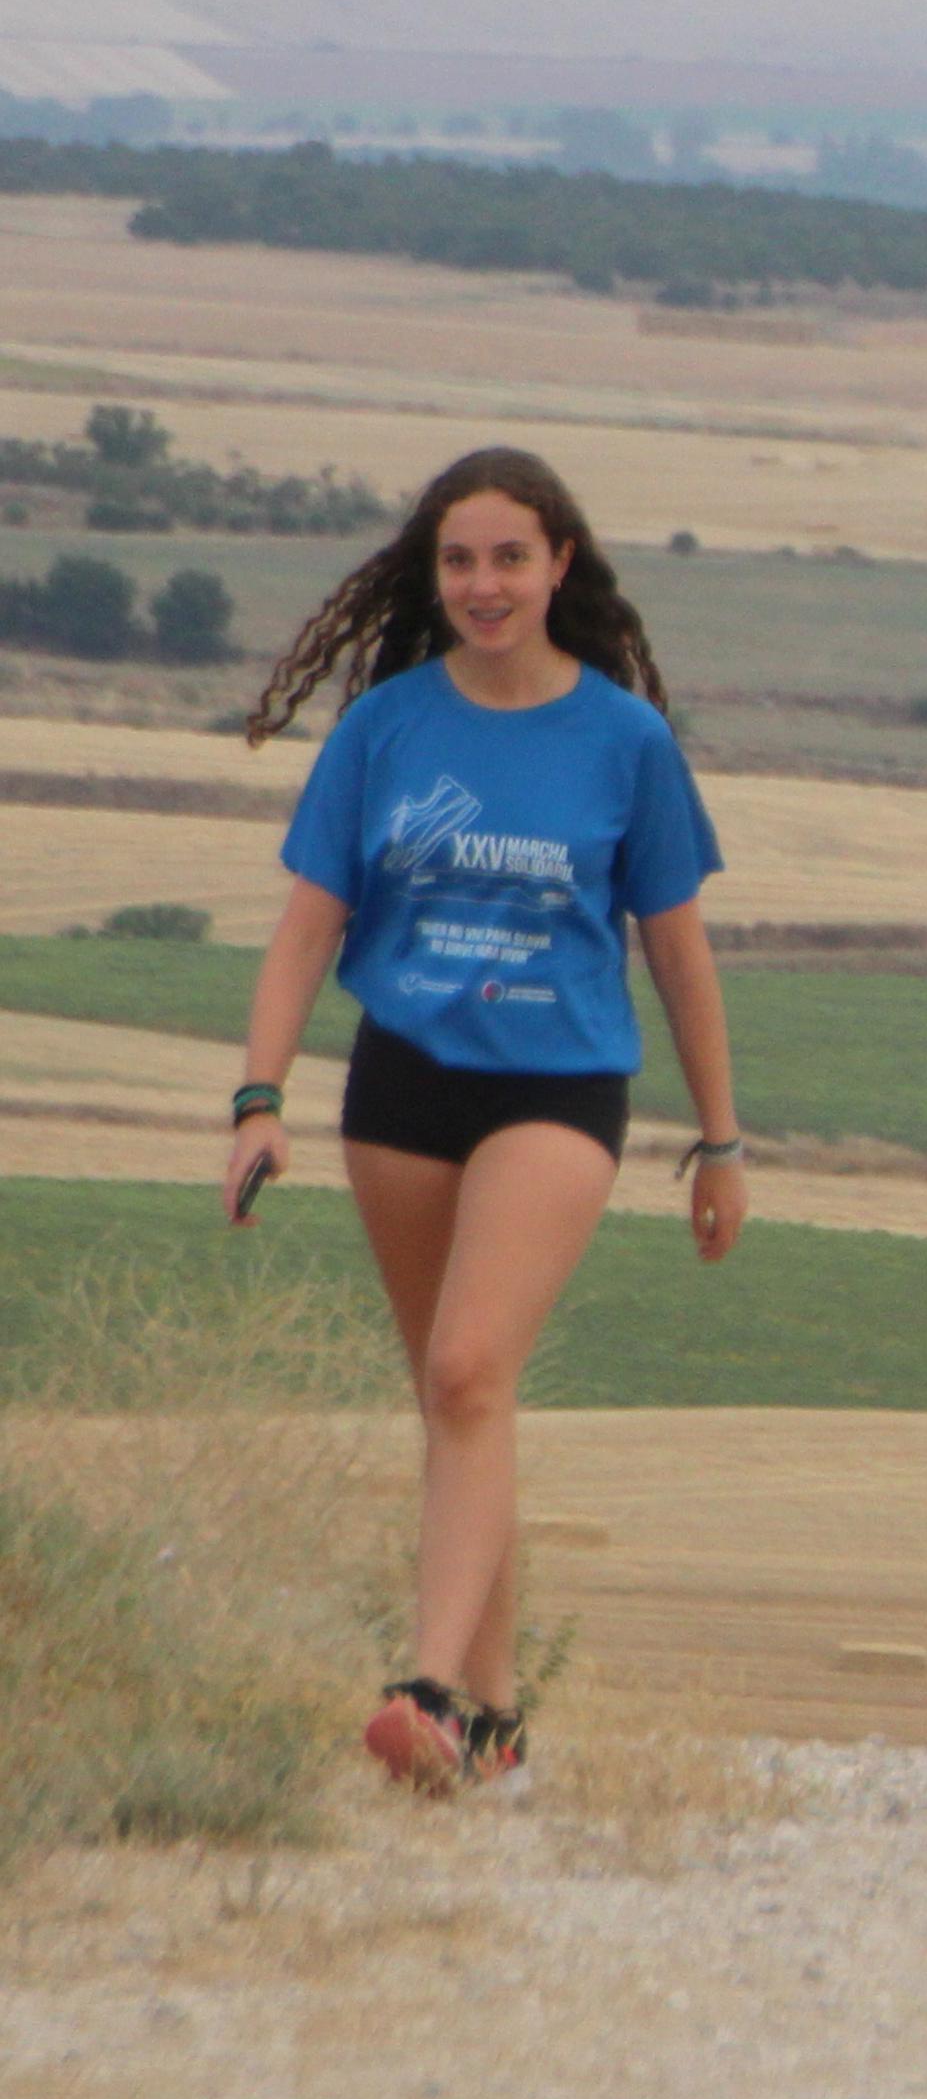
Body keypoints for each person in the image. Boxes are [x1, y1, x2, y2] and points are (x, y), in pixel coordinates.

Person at [228, 447, 745, 1795]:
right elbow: (303, 930)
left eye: (511, 556)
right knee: (462, 1401)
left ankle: (425, 1689)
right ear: (432, 571)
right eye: (460, 560)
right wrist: (258, 1098)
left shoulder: (623, 739)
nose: (484, 584)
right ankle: (498, 1725)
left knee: (467, 1369)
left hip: (556, 1087)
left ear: (560, 564)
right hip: (400, 1085)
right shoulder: (386, 727)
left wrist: (722, 1139)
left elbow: (681, 955)